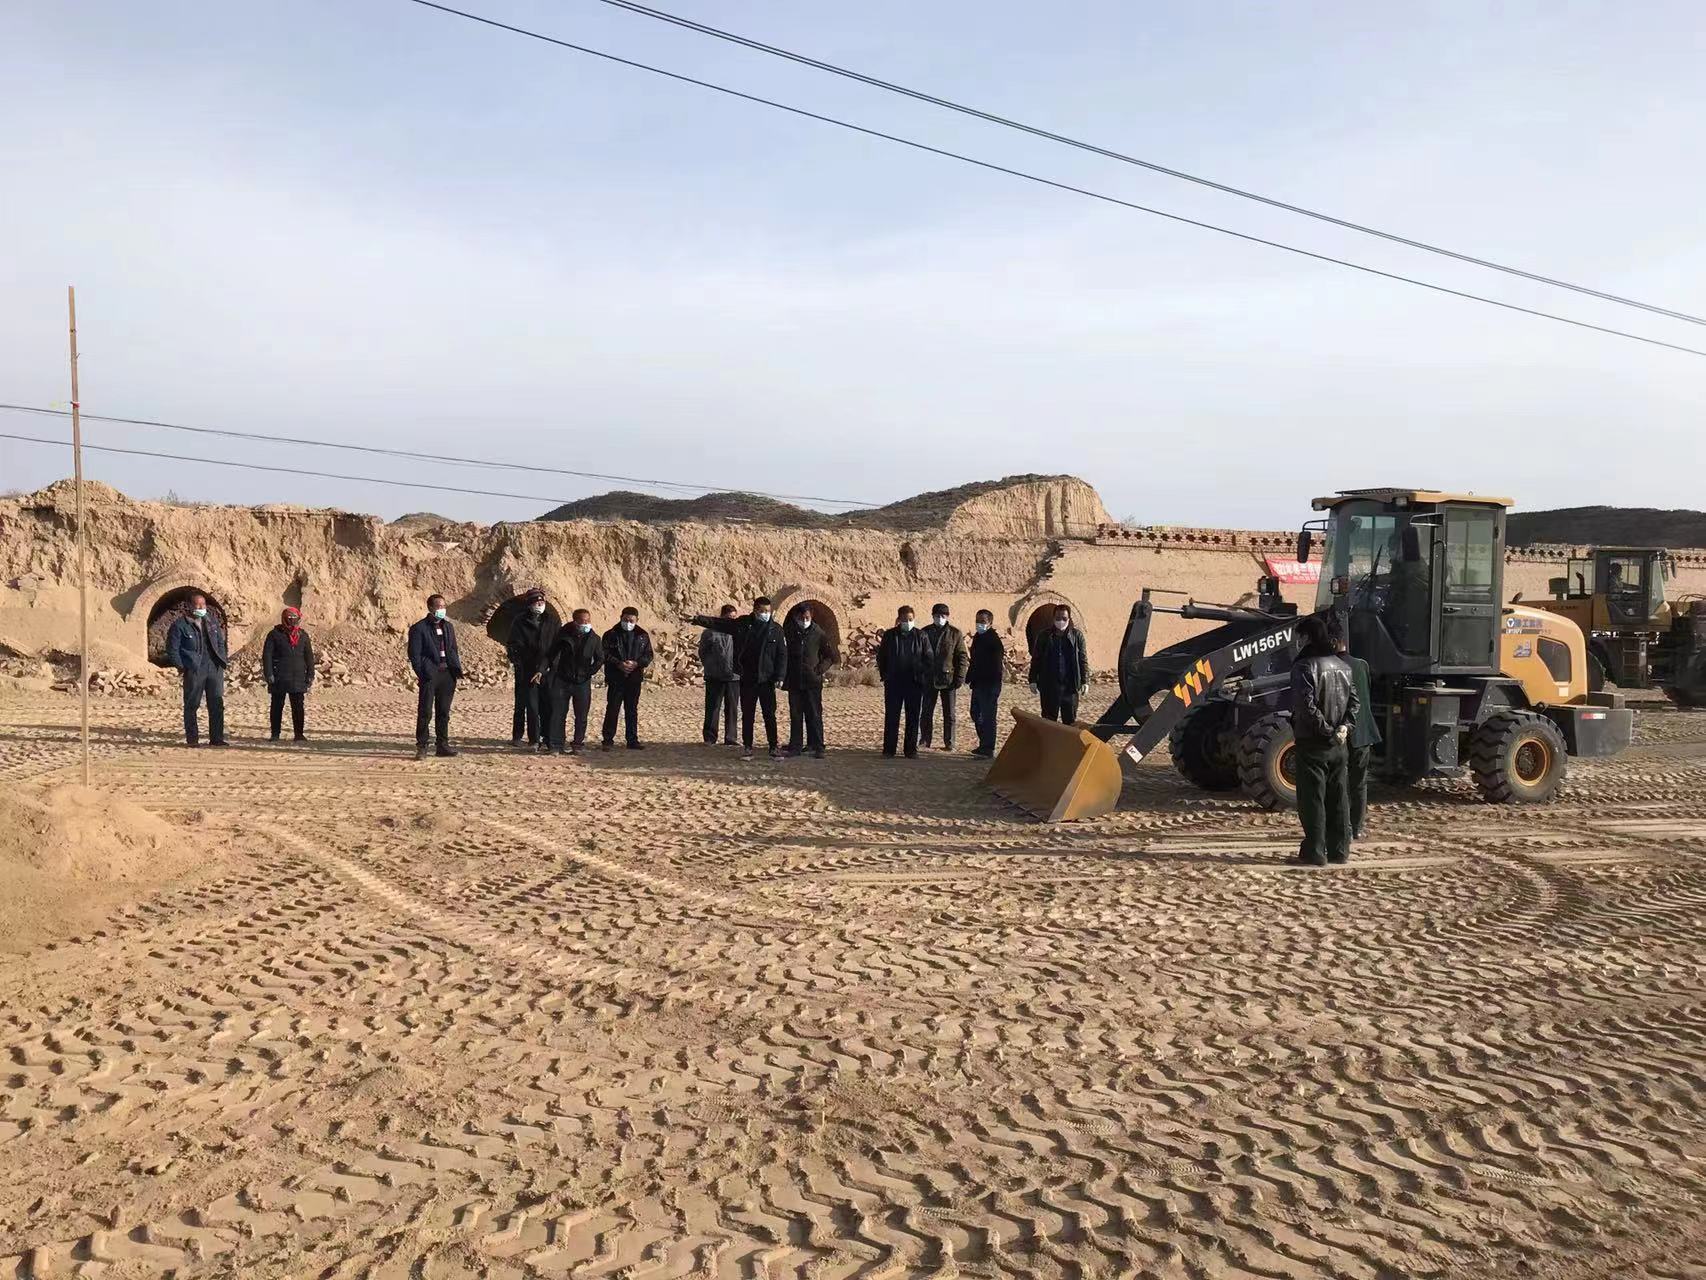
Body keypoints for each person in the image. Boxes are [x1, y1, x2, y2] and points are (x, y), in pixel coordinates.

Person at [1289, 612, 1359, 866]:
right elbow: (1354, 702)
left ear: (1308, 637)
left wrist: (1326, 730)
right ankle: (1340, 850)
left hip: (1314, 743)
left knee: (1312, 799)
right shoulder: (1343, 666)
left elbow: (1306, 706)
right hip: (1339, 746)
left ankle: (1315, 851)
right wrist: (1343, 728)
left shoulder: (1304, 666)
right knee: (1339, 797)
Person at [689, 597, 787, 760]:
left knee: (769, 714)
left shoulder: (776, 629)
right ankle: (748, 747)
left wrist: (780, 675)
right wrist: (698, 619)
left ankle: (773, 746)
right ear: (755, 610)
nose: (766, 614)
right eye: (762, 611)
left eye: (768, 611)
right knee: (748, 714)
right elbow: (719, 623)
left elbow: (782, 654)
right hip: (748, 677)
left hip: (767, 679)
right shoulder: (743, 624)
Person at [1329, 611, 1380, 840]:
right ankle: (1357, 826)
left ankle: (1342, 826)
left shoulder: (1329, 667)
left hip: (1340, 732)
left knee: (1338, 782)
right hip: (1363, 732)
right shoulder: (1362, 665)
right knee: (1359, 783)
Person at [165, 593, 229, 748]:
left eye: (204, 605)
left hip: (214, 667)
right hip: (194, 669)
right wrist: (182, 666)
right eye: (198, 605)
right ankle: (192, 739)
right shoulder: (180, 625)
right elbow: (172, 649)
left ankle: (216, 738)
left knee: (216, 704)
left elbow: (221, 642)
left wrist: (221, 657)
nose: (201, 608)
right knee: (192, 705)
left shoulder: (212, 621)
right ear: (189, 606)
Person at [408, 594, 462, 759]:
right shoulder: (419, 628)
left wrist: (455, 669)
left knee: (443, 712)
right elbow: (414, 655)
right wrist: (423, 672)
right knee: (425, 712)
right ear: (430, 608)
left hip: (447, 675)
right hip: (430, 675)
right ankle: (422, 746)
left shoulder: (448, 627)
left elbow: (453, 649)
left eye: (444, 606)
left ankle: (442, 745)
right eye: (439, 606)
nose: (442, 610)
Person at [543, 608, 602, 754]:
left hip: (582, 682)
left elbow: (600, 658)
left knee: (581, 715)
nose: (586, 624)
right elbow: (551, 654)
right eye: (582, 621)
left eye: (588, 621)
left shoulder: (594, 638)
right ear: (575, 622)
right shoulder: (563, 635)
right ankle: (556, 745)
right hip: (562, 680)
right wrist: (542, 670)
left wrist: (590, 671)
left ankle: (577, 744)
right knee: (558, 713)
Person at [877, 606, 931, 758]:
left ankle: (910, 750)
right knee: (892, 717)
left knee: (913, 717)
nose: (908, 622)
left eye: (910, 619)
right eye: (905, 620)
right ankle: (889, 750)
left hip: (914, 683)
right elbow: (882, 658)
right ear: (899, 620)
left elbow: (928, 659)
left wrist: (922, 676)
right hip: (894, 683)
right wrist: (885, 675)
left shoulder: (921, 636)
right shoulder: (889, 635)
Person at [783, 604, 837, 758]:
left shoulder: (819, 633)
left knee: (814, 714)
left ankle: (817, 746)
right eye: (801, 618)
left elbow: (830, 656)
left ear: (811, 616)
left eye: (807, 618)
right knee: (796, 714)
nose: (804, 620)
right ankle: (796, 746)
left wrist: (819, 670)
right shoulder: (789, 632)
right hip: (794, 681)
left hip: (812, 682)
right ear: (795, 618)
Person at [507, 588, 554, 752]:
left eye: (542, 602)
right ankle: (531, 739)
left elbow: (555, 648)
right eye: (536, 602)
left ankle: (548, 738)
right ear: (529, 604)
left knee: (547, 706)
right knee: (529, 706)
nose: (540, 605)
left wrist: (543, 669)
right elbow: (513, 646)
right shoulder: (519, 622)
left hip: (547, 671)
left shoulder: (551, 621)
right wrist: (521, 665)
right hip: (526, 671)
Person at [601, 607, 652, 750]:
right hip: (616, 677)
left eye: (631, 620)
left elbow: (648, 655)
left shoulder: (642, 635)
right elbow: (604, 653)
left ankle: (632, 740)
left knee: (631, 709)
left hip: (634, 678)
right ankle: (608, 740)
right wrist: (619, 664)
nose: (628, 623)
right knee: (612, 708)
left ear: (637, 620)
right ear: (620, 617)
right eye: (625, 620)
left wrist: (637, 663)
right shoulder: (611, 634)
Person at [261, 606, 314, 744]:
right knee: (277, 706)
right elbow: (267, 655)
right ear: (284, 618)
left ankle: (299, 734)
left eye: (294, 617)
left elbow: (309, 657)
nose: (292, 620)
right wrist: (269, 674)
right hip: (279, 677)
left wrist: (310, 675)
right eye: (289, 617)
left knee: (298, 707)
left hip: (298, 677)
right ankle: (275, 734)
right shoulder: (274, 634)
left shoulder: (303, 635)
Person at [920, 604, 969, 751]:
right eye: (937, 616)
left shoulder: (955, 633)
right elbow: (918, 655)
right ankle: (924, 740)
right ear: (932, 616)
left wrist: (960, 677)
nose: (939, 618)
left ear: (947, 616)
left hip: (949, 680)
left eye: (942, 616)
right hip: (929, 678)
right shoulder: (925, 632)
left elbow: (962, 656)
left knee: (950, 714)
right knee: (926, 712)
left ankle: (949, 742)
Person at [1030, 605, 1089, 723]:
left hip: (1070, 688)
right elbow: (1036, 659)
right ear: (1053, 618)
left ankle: (1067, 742)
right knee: (1048, 723)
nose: (1060, 621)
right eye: (1058, 618)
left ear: (1069, 619)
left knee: (1070, 723)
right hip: (1049, 686)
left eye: (1064, 618)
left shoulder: (1077, 636)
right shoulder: (1044, 636)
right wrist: (1032, 679)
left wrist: (1085, 681)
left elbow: (1082, 659)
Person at [699, 604, 740, 747]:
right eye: (729, 618)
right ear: (722, 617)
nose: (732, 620)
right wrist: (711, 666)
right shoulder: (709, 633)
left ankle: (731, 737)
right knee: (713, 707)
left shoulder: (739, 632)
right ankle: (710, 737)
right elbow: (702, 653)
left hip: (734, 677)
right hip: (714, 676)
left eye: (734, 618)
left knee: (732, 708)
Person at [967, 609, 1005, 758]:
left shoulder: (994, 641)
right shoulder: (978, 637)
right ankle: (984, 743)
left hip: (989, 685)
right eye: (977, 621)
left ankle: (988, 748)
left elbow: (995, 666)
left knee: (988, 716)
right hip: (978, 683)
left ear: (990, 623)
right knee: (975, 713)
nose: (979, 624)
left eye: (982, 621)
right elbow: (975, 660)